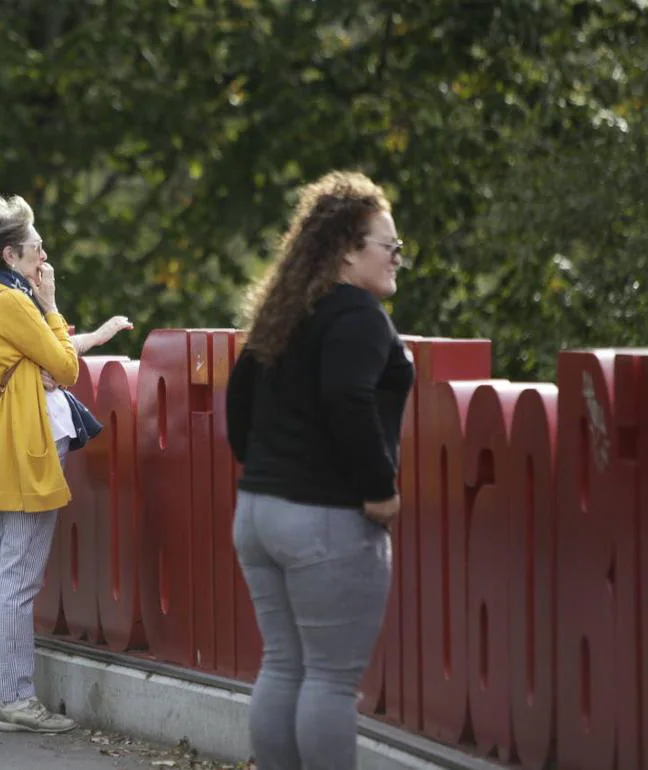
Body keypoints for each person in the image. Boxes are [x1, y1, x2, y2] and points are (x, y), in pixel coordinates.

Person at [225, 170, 414, 770]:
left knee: (283, 664)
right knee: (331, 680)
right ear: (346, 250)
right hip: (325, 520)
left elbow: (239, 403)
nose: (396, 260)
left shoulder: (285, 313)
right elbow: (348, 398)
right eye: (390, 247)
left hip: (260, 511)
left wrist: (264, 469)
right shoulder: (359, 318)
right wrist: (379, 489)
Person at [0, 179, 130, 733]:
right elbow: (65, 368)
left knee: (1, 571)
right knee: (18, 577)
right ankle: (14, 700)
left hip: (4, 448)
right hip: (26, 447)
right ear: (11, 254)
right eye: (36, 248)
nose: (43, 256)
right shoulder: (12, 301)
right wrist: (54, 306)